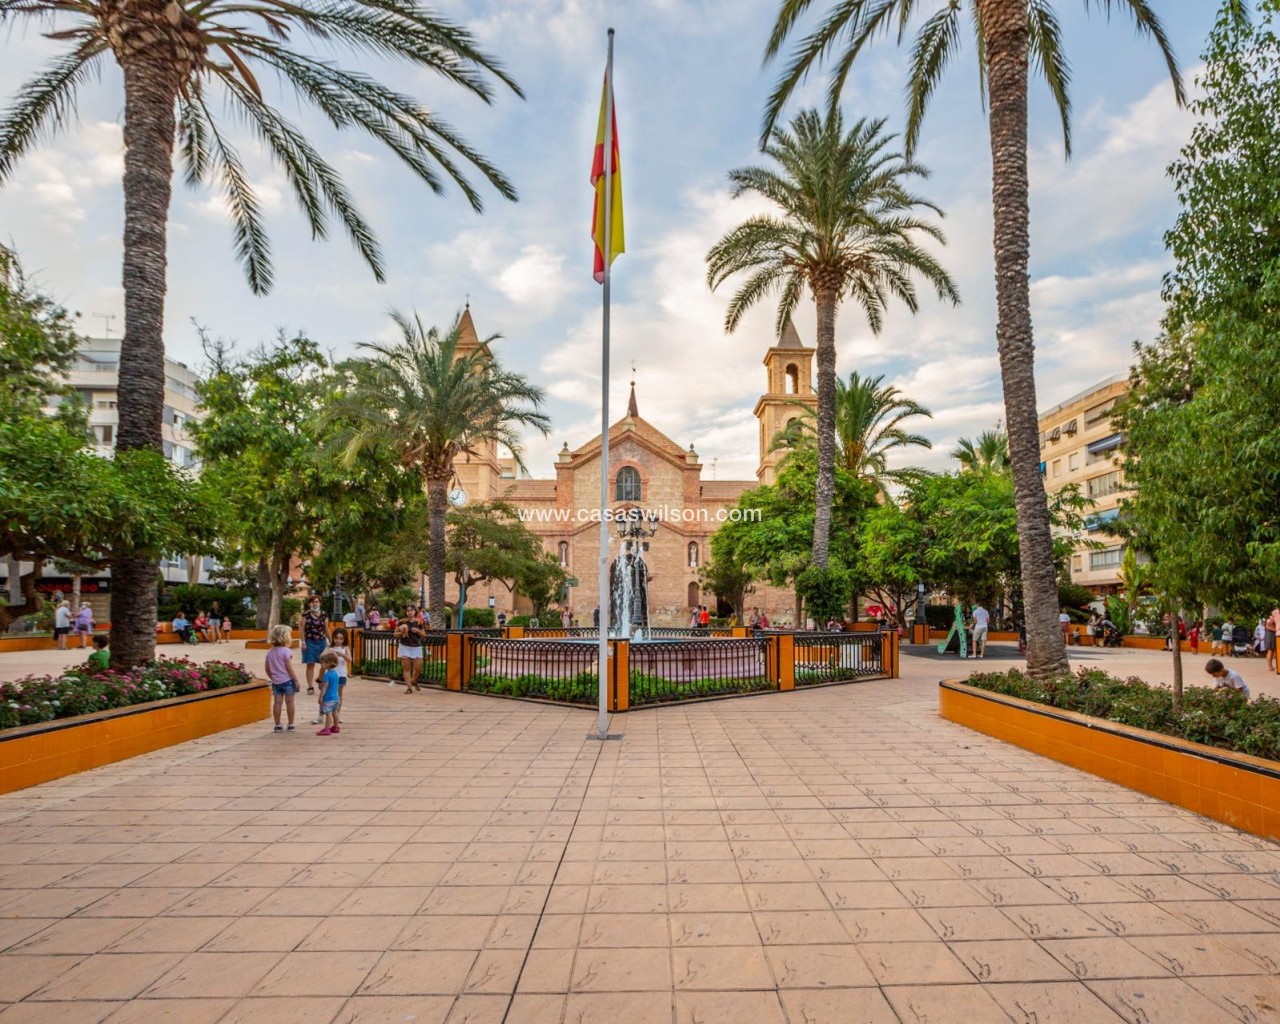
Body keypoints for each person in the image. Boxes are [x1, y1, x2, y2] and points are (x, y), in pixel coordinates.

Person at [265, 624, 301, 732]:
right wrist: (296, 680)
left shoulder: (270, 652)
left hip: (276, 682)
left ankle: (277, 725)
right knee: (290, 702)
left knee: (277, 703)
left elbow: (267, 668)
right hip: (288, 680)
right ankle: (291, 724)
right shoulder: (286, 651)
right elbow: (289, 668)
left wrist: (273, 677)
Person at [315, 627, 352, 725]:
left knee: (338, 695)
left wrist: (342, 655)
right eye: (336, 638)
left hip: (341, 675)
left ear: (344, 639)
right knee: (325, 694)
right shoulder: (329, 647)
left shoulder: (345, 648)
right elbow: (321, 657)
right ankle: (320, 716)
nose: (338, 641)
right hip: (330, 675)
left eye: (341, 639)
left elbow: (349, 660)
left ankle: (337, 715)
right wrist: (331, 653)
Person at [300, 596, 330, 695]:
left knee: (325, 664)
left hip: (322, 642)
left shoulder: (324, 614)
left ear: (320, 603)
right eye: (312, 602)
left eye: (316, 602)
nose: (315, 603)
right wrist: (303, 642)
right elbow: (301, 629)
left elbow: (326, 629)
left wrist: (331, 642)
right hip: (309, 642)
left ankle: (320, 679)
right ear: (310, 603)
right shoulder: (305, 615)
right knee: (310, 664)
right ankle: (310, 687)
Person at [396, 606, 426, 694]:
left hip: (417, 647)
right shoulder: (401, 622)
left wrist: (418, 631)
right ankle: (409, 688)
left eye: (411, 610)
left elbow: (424, 635)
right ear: (406, 612)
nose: (409, 612)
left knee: (418, 668)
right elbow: (395, 634)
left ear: (414, 611)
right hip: (405, 646)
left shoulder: (419, 622)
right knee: (407, 668)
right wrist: (402, 632)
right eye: (408, 611)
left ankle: (413, 681)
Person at [315, 650, 342, 736]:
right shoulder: (335, 673)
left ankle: (327, 728)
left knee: (328, 714)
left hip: (328, 698)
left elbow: (324, 687)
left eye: (322, 663)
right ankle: (336, 727)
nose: (321, 665)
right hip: (335, 697)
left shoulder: (327, 675)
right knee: (335, 712)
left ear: (328, 663)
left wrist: (321, 697)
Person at [1267, 604, 1280, 673]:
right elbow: (1268, 624)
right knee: (1272, 651)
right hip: (1276, 634)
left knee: (1277, 651)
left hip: (1277, 634)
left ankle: (1278, 669)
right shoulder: (1276, 612)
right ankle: (1272, 666)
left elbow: (1269, 622)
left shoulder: (1275, 612)